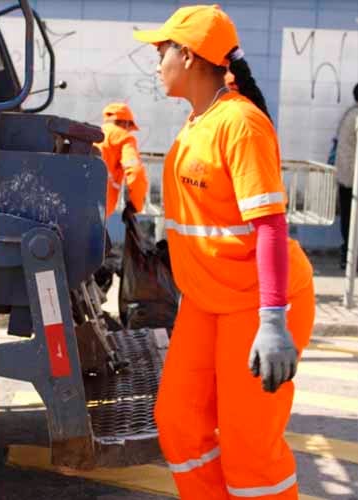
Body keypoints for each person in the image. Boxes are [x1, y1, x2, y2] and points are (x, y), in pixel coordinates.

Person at [133, 5, 315, 499]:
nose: (155, 59)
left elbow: (271, 227)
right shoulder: (200, 121)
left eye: (161, 49)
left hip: (257, 303)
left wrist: (274, 320)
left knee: (249, 447)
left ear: (188, 56)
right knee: (178, 422)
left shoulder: (240, 124)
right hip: (208, 300)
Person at [94, 102, 149, 217]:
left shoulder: (94, 134)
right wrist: (136, 205)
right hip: (99, 208)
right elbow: (135, 171)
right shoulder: (124, 138)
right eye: (130, 127)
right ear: (126, 123)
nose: (129, 131)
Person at [335, 84, 358, 268]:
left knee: (348, 220)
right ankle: (351, 260)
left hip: (345, 176)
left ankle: (347, 257)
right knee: (353, 221)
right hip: (353, 178)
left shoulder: (350, 113)